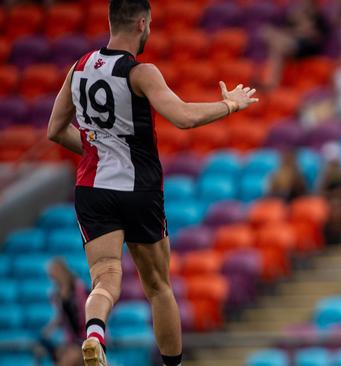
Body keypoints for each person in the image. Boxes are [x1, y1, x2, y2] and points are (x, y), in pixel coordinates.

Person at [46, 1, 258, 365]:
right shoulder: (140, 72)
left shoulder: (78, 67)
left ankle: (95, 333)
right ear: (142, 23)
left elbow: (54, 130)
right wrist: (230, 105)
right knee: (159, 287)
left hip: (93, 189)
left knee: (105, 279)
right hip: (139, 190)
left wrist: (100, 153)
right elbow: (183, 117)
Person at [39, 258, 87, 366]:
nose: (52, 277)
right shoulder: (55, 293)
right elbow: (61, 317)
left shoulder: (77, 286)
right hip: (72, 338)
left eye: (53, 272)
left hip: (85, 336)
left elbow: (86, 310)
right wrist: (48, 331)